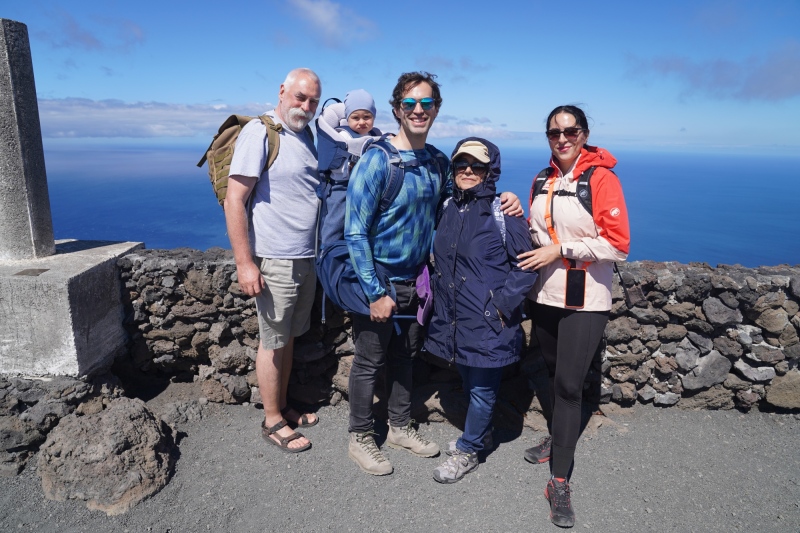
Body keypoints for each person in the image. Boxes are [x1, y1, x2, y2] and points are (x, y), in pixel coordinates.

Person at [344, 72, 523, 476]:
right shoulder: (377, 160)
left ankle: (400, 426)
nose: (418, 111)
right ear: (396, 110)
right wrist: (374, 291)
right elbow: (354, 231)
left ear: (436, 109)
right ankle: (359, 436)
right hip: (380, 277)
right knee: (370, 359)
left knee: (406, 356)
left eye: (426, 104)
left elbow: (461, 199)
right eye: (410, 104)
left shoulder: (438, 162)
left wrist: (505, 196)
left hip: (419, 282)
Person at [517, 105, 630, 527]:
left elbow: (618, 245)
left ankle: (559, 481)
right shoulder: (540, 179)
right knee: (549, 370)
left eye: (570, 131)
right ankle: (559, 435)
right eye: (554, 132)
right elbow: (535, 232)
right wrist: (512, 208)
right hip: (544, 294)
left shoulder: (601, 178)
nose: (562, 139)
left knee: (568, 385)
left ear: (584, 134)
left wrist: (561, 249)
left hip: (586, 299)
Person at [424, 138, 538, 484]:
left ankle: (469, 449)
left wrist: (500, 307)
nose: (468, 171)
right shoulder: (446, 207)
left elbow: (527, 266)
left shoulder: (505, 214)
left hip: (489, 321)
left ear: (491, 171)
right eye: (462, 165)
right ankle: (480, 435)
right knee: (468, 378)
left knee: (482, 390)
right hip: (453, 320)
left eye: (477, 166)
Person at [223, 68, 322, 453]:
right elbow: (235, 200)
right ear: (282, 92)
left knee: (289, 337)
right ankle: (272, 420)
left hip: (304, 256)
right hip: (274, 258)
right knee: (273, 339)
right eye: (300, 97)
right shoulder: (260, 133)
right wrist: (244, 263)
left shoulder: (305, 135)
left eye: (313, 100)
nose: (306, 106)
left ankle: (283, 407)